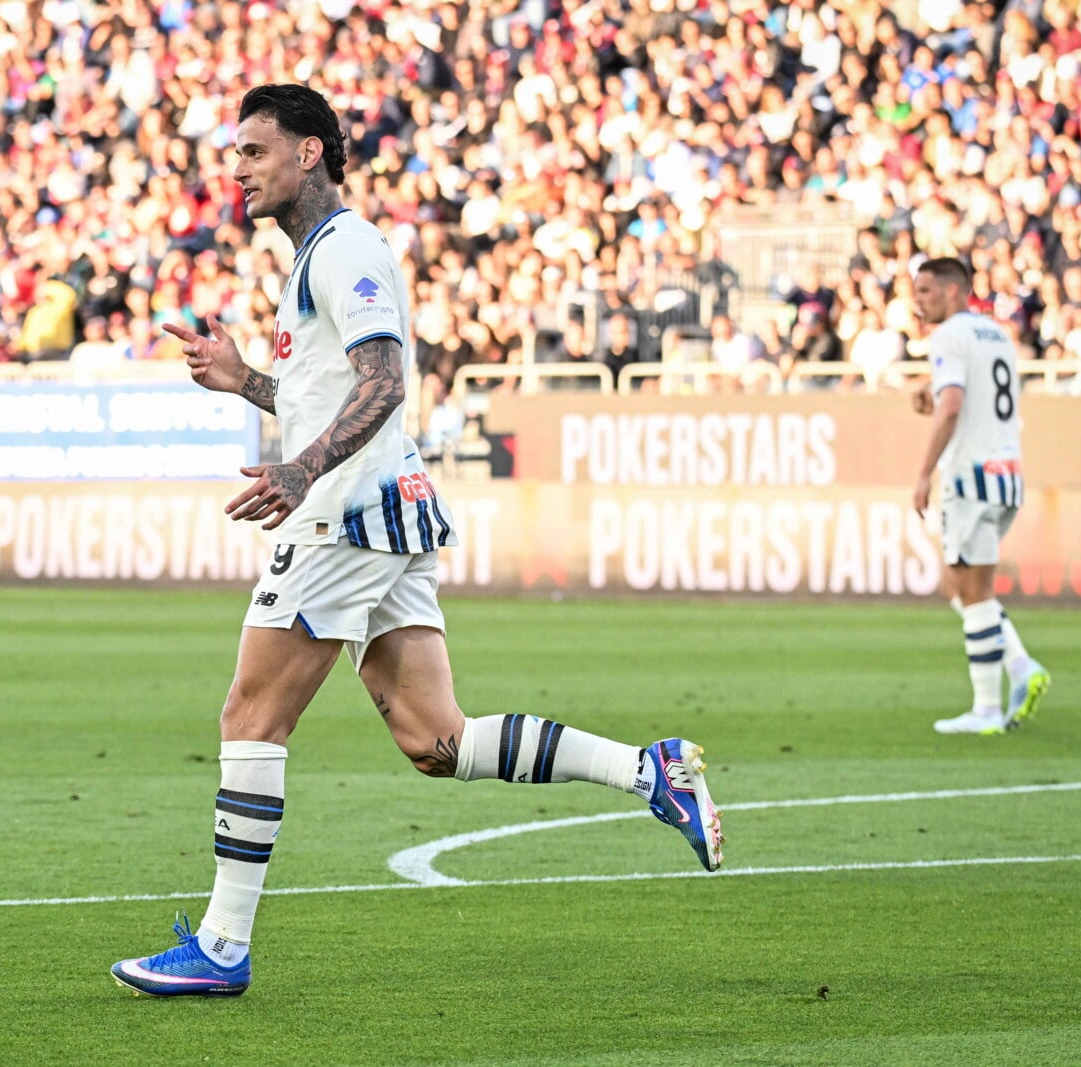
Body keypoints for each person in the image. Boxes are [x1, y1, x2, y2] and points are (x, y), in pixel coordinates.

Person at [109, 84, 723, 1000]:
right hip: (382, 508)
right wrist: (248, 383)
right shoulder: (313, 257)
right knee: (436, 739)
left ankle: (222, 945)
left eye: (254, 150)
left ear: (309, 152)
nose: (237, 169)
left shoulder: (346, 247)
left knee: (250, 718)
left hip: (345, 515)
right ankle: (651, 770)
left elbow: (386, 380)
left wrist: (300, 471)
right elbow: (329, 393)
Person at [909, 257, 1051, 735]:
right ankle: (1020, 665)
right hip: (1006, 474)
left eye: (926, 290)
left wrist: (924, 473)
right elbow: (974, 395)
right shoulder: (996, 334)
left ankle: (988, 708)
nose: (918, 300)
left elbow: (952, 408)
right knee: (961, 585)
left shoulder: (948, 335)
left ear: (954, 290)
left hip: (970, 476)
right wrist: (932, 392)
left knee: (970, 591)